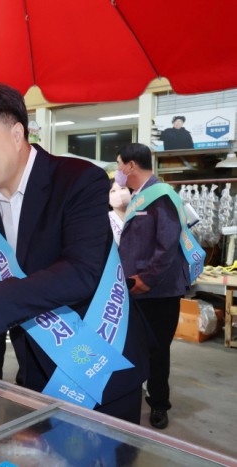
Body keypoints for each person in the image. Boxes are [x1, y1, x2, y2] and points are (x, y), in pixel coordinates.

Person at [0, 82, 150, 424]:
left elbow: (80, 272)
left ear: (16, 134)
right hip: (35, 370)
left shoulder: (78, 180)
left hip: (102, 364)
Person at [115, 142, 203, 429]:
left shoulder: (161, 196)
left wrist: (146, 280)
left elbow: (166, 245)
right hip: (136, 289)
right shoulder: (139, 196)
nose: (117, 172)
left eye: (119, 165)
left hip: (159, 290)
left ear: (130, 166)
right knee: (136, 346)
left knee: (157, 350)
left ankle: (159, 405)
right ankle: (137, 393)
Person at [109, 180, 131, 245]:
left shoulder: (140, 214)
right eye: (113, 191)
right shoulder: (105, 220)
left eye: (123, 188)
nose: (119, 193)